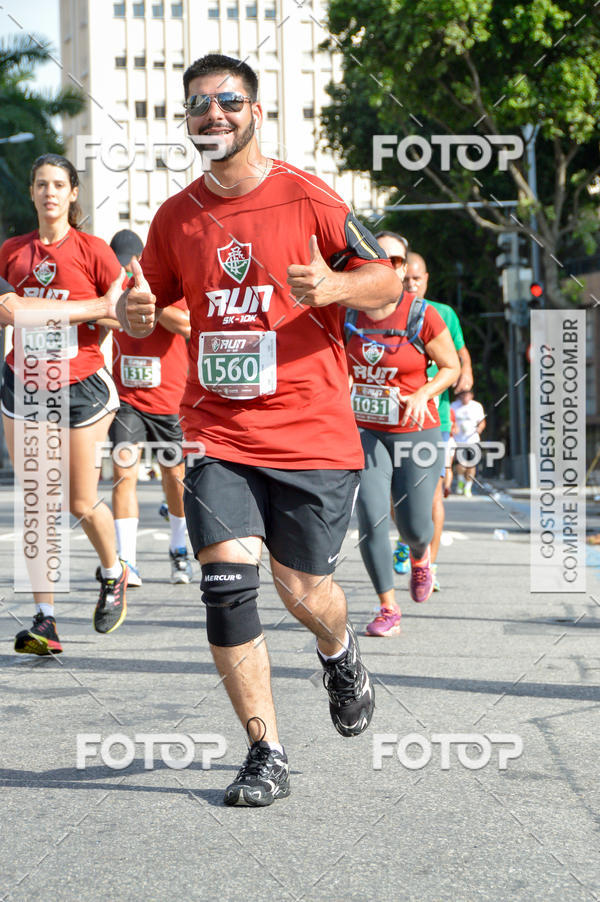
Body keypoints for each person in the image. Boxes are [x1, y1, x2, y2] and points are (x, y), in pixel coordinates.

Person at [116, 53, 401, 807]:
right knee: (227, 583)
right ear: (187, 119)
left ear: (256, 112)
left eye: (229, 101)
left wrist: (337, 285)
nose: (214, 114)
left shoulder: (308, 197)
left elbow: (387, 281)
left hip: (311, 433)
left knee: (304, 588)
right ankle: (265, 751)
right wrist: (135, 315)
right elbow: (147, 306)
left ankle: (339, 654)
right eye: (200, 104)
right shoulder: (174, 217)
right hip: (220, 431)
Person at [0, 153, 128, 655]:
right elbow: (8, 312)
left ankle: (113, 573)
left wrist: (53, 313)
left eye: (59, 185)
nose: (49, 192)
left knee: (78, 501)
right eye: (41, 184)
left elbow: (121, 315)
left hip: (82, 387)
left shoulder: (94, 251)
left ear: (73, 194)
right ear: (31, 193)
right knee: (35, 505)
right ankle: (45, 619)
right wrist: (87, 308)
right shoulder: (11, 251)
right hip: (23, 386)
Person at [345, 245, 460, 637]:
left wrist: (424, 393)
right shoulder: (346, 313)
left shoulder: (420, 314)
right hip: (367, 430)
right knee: (372, 516)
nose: (384, 267)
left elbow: (451, 367)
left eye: (393, 261)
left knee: (414, 525)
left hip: (417, 430)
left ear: (400, 266)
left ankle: (420, 554)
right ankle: (387, 607)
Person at [107, 229, 193, 585]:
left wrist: (149, 302)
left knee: (175, 478)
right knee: (123, 472)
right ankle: (126, 561)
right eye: (120, 268)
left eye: (131, 266)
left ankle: (178, 549)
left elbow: (189, 326)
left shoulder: (164, 286)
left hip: (169, 400)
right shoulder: (110, 289)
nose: (127, 273)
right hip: (127, 399)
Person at [390, 245, 473, 590]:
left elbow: (459, 352)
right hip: (390, 422)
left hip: (433, 421)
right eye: (405, 278)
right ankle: (408, 536)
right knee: (396, 497)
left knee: (434, 494)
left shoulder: (442, 312)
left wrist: (465, 372)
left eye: (416, 279)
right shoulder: (381, 311)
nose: (410, 285)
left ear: (426, 280)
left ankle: (429, 566)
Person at [450, 389, 486, 497]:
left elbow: (482, 421)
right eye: (463, 394)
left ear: (471, 395)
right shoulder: (454, 405)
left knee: (472, 464)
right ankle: (461, 480)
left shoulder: (477, 406)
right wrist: (453, 427)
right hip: (459, 440)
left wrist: (480, 428)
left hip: (473, 439)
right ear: (459, 395)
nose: (465, 397)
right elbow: (450, 419)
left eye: (467, 394)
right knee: (460, 463)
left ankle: (468, 487)